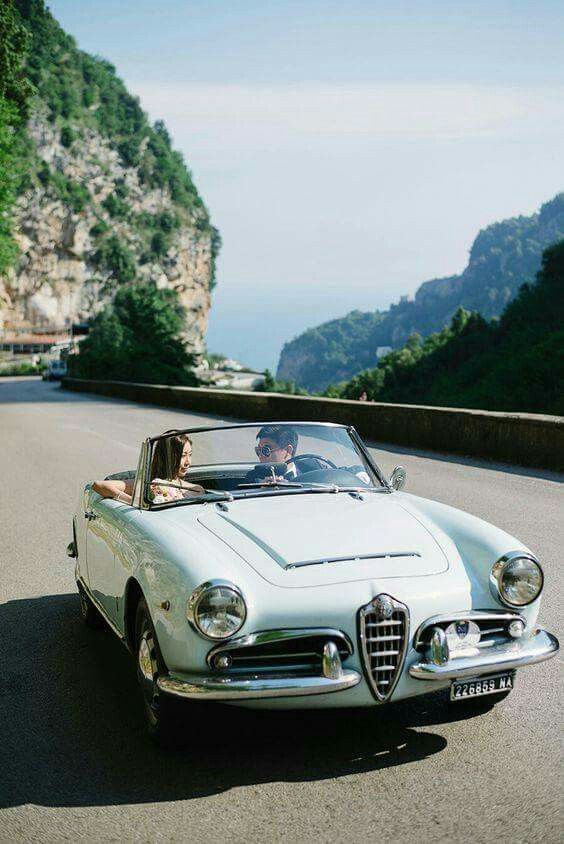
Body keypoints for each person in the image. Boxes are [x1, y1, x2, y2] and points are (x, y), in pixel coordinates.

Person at [92, 430, 204, 505]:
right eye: (183, 456)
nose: (188, 462)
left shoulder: (196, 489)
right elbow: (99, 485)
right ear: (167, 457)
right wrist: (134, 501)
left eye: (190, 454)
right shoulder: (148, 484)